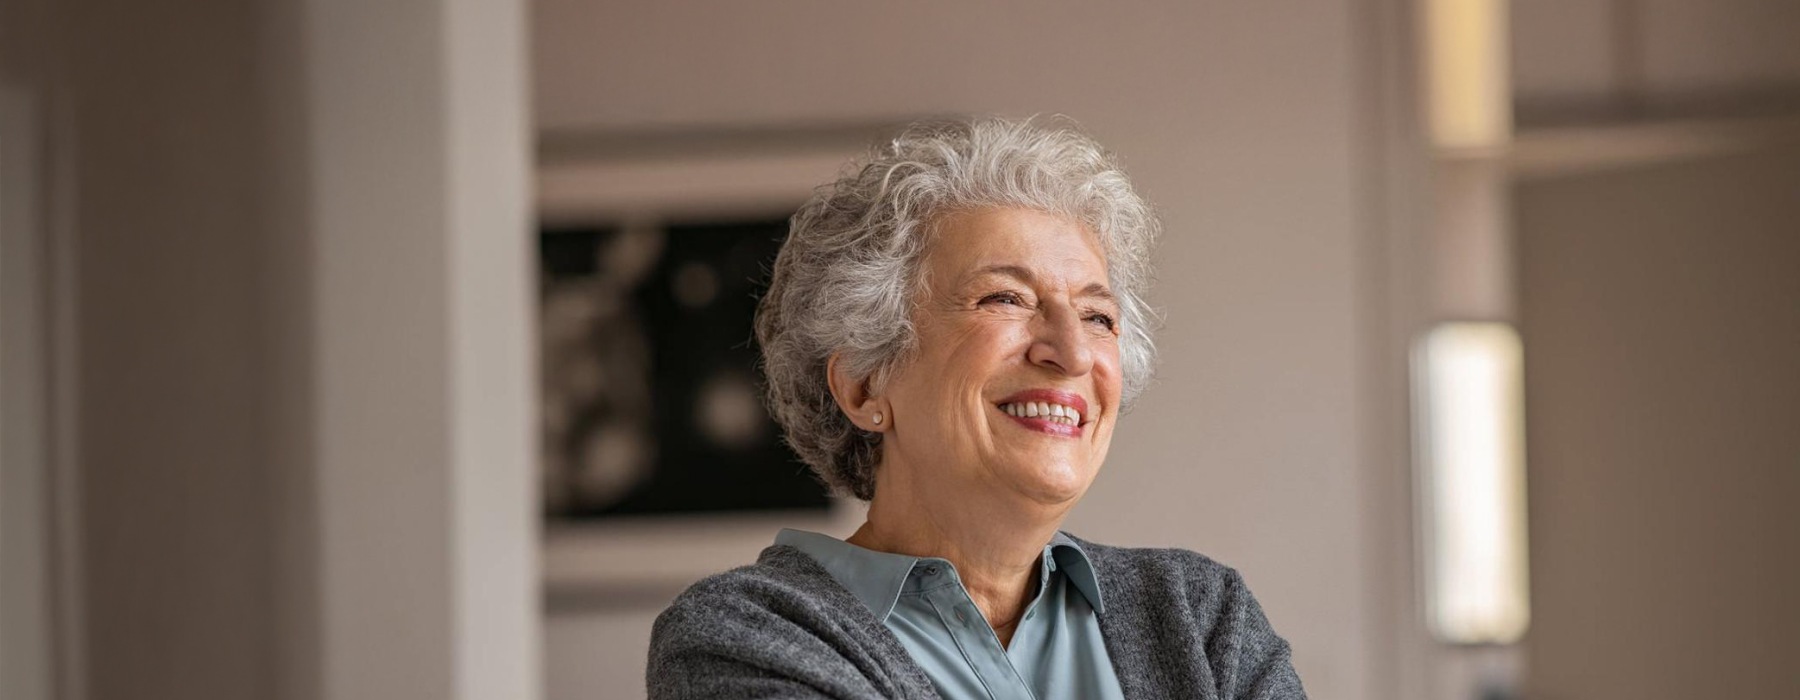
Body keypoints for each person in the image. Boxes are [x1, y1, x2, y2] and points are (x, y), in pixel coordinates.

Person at [647, 116, 1306, 699]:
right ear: (865, 387)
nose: (1072, 352)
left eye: (1098, 316)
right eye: (1005, 299)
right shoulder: (740, 639)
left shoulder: (1201, 617)